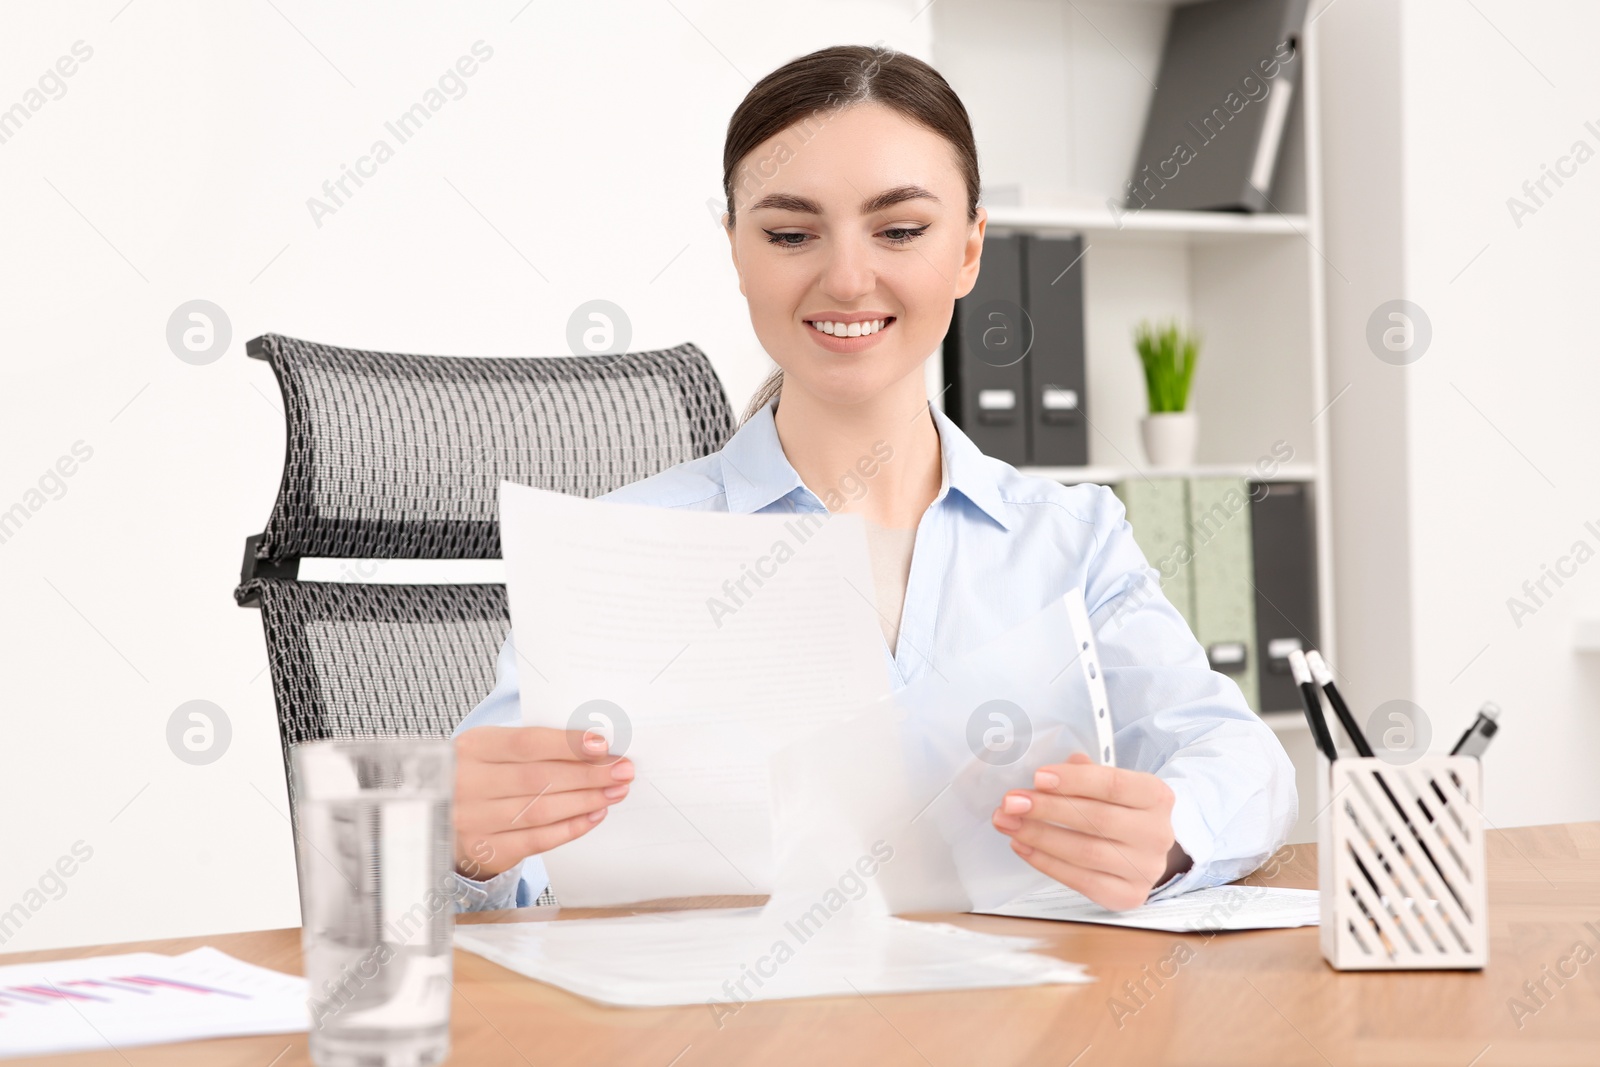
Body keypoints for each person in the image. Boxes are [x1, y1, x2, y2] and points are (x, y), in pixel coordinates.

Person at [449, 43, 1295, 914]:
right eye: (789, 234)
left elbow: (1244, 761)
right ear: (738, 254)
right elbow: (494, 881)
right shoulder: (621, 546)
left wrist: (1172, 828)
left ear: (969, 252)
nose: (848, 279)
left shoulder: (1069, 538)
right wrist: (466, 850)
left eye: (899, 230)